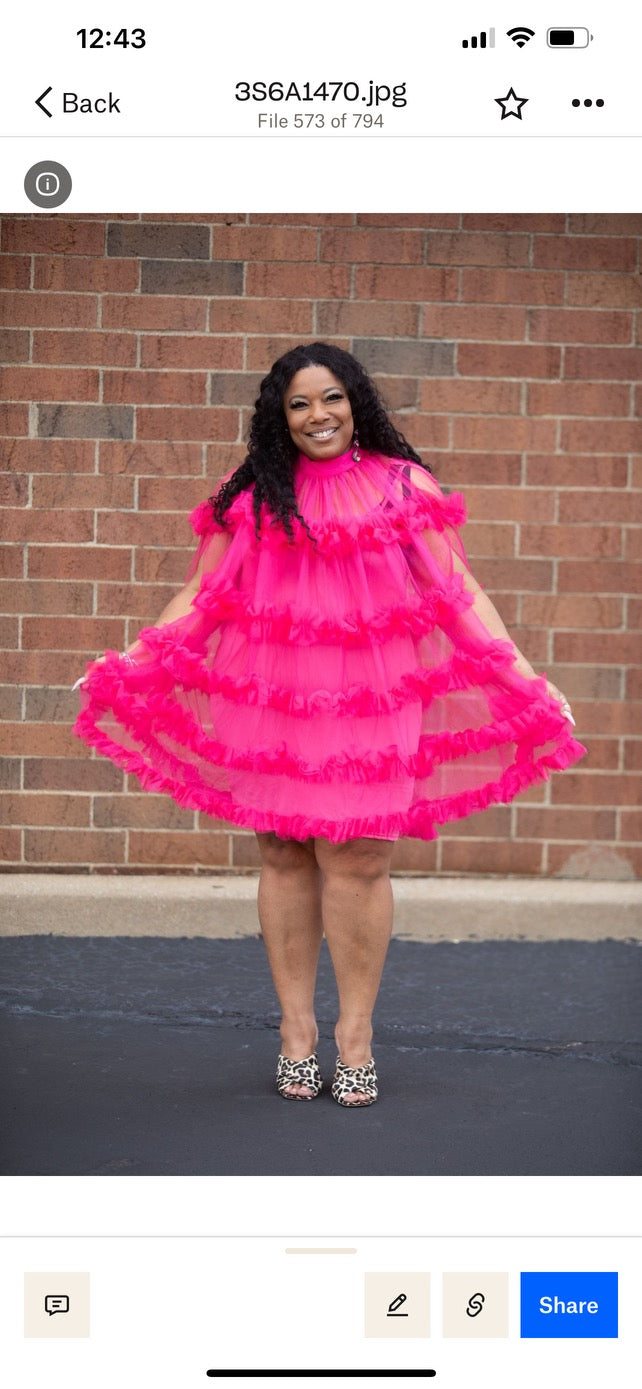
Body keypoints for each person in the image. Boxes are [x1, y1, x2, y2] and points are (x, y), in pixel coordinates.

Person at [72, 342, 587, 1107]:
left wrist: (524, 678)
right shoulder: (251, 493)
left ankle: (355, 1037)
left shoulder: (401, 487)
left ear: (358, 402)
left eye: (333, 398)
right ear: (280, 419)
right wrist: (135, 663)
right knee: (282, 852)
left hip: (378, 698)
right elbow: (201, 596)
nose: (320, 416)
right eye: (301, 404)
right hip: (270, 693)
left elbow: (461, 593)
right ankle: (295, 1033)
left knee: (359, 860)